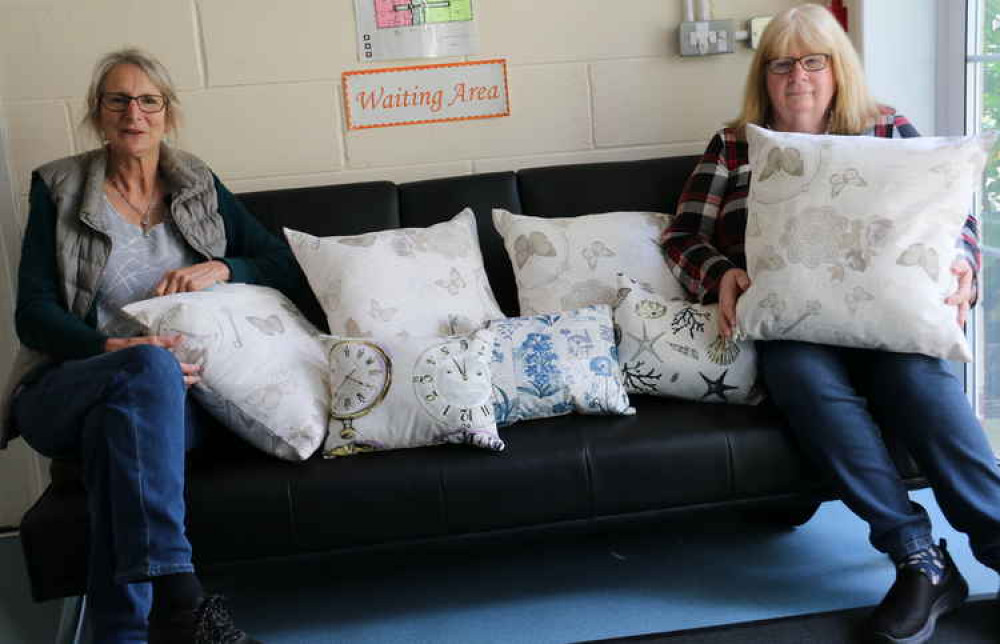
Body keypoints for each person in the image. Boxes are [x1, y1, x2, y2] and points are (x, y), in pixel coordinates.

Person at [661, 4, 1000, 643]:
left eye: (814, 60)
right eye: (782, 64)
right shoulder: (736, 144)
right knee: (796, 371)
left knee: (917, 379)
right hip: (794, 325)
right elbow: (682, 234)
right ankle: (919, 560)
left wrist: (962, 265)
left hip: (888, 318)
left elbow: (950, 216)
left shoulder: (886, 127)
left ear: (838, 69)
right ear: (764, 76)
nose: (799, 76)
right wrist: (719, 274)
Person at [1, 48, 308, 643]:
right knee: (143, 365)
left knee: (119, 430)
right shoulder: (59, 188)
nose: (133, 113)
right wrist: (106, 347)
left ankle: (121, 632)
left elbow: (282, 264)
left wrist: (222, 268)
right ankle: (181, 600)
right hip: (66, 385)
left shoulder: (197, 183)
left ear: (168, 113)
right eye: (118, 99)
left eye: (148, 100)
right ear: (97, 113)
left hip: (173, 402)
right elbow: (31, 315)